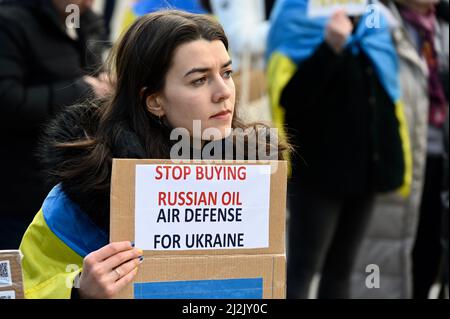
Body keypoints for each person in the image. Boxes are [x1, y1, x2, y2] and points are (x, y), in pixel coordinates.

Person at [19, 10, 288, 299]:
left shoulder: (253, 180)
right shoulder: (81, 193)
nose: (224, 92)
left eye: (226, 73)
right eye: (199, 80)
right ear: (155, 101)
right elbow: (23, 287)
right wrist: (78, 291)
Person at [267, 0, 412, 298]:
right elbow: (291, 101)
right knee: (302, 269)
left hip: (366, 172)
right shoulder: (295, 18)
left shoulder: (373, 21)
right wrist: (329, 47)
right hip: (319, 176)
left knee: (341, 269)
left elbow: (386, 96)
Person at [350, 0, 449, 299]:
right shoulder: (372, 20)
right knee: (377, 270)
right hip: (390, 167)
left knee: (427, 259)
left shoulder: (442, 28)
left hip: (438, 163)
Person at [0, 0, 110, 250]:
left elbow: (83, 72)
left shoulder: (84, 21)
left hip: (68, 191)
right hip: (17, 193)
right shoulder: (10, 23)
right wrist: (83, 90)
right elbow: (7, 100)